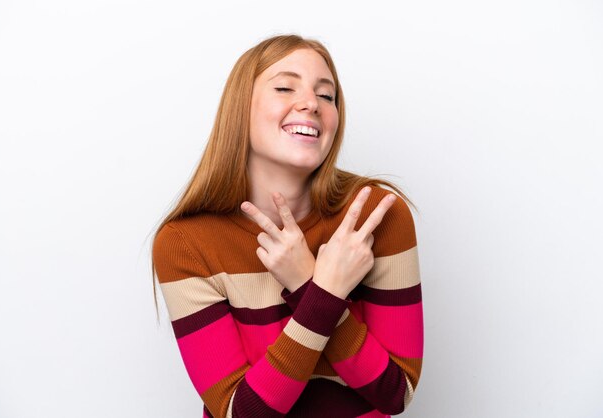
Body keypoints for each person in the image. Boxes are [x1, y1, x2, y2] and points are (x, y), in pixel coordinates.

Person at [151, 34, 423, 417]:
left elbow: (396, 393)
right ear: (238, 110)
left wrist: (307, 285)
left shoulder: (378, 216)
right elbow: (238, 412)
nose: (311, 103)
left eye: (327, 96)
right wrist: (322, 292)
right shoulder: (185, 243)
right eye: (284, 87)